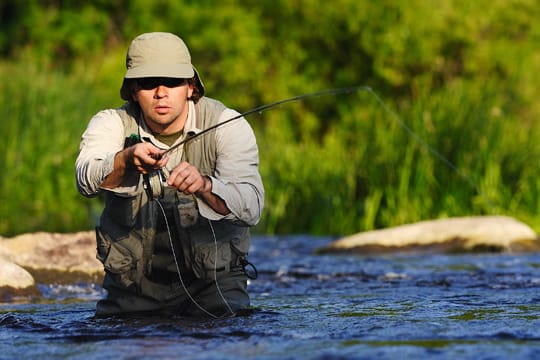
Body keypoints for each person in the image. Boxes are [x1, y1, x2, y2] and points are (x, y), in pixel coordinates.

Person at [75, 32, 264, 318]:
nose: (161, 92)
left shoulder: (227, 124)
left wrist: (204, 186)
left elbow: (251, 207)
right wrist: (125, 161)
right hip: (132, 291)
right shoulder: (111, 123)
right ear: (133, 90)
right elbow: (85, 178)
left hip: (214, 287)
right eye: (149, 83)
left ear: (190, 87)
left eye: (173, 82)